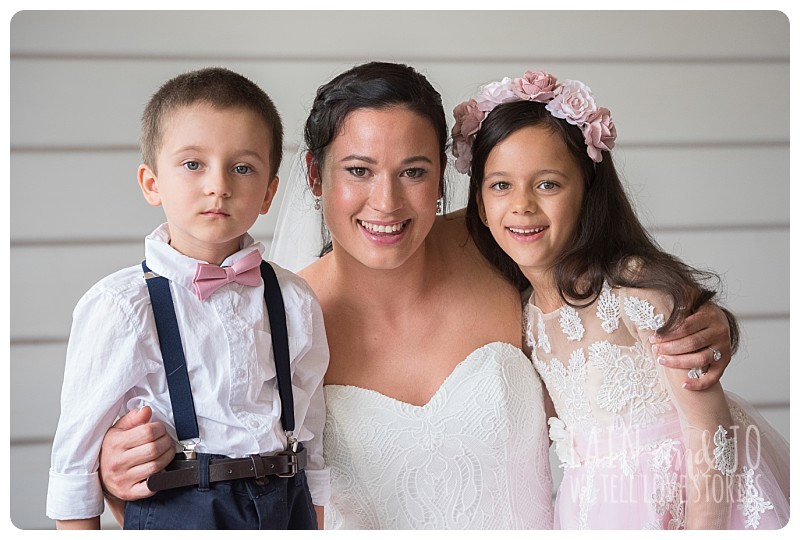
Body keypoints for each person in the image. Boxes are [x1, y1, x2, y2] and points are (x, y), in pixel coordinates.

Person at [97, 62, 734, 530]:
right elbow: (218, 471)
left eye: (414, 172)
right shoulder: (271, 319)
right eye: (358, 171)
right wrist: (117, 470)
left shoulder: (504, 247)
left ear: (445, 179)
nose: (387, 203)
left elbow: (615, 291)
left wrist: (705, 322)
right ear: (316, 176)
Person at [456, 69, 790, 529]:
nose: (523, 205)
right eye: (500, 185)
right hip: (596, 512)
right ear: (479, 204)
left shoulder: (636, 289)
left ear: (587, 193)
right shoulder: (527, 315)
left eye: (548, 184)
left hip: (698, 506)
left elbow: (710, 432)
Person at [46, 67, 329, 530]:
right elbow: (75, 462)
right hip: (182, 509)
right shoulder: (121, 306)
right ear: (152, 182)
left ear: (268, 193)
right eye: (193, 164)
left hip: (286, 499)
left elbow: (311, 432)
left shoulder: (294, 298)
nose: (218, 185)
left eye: (243, 167)